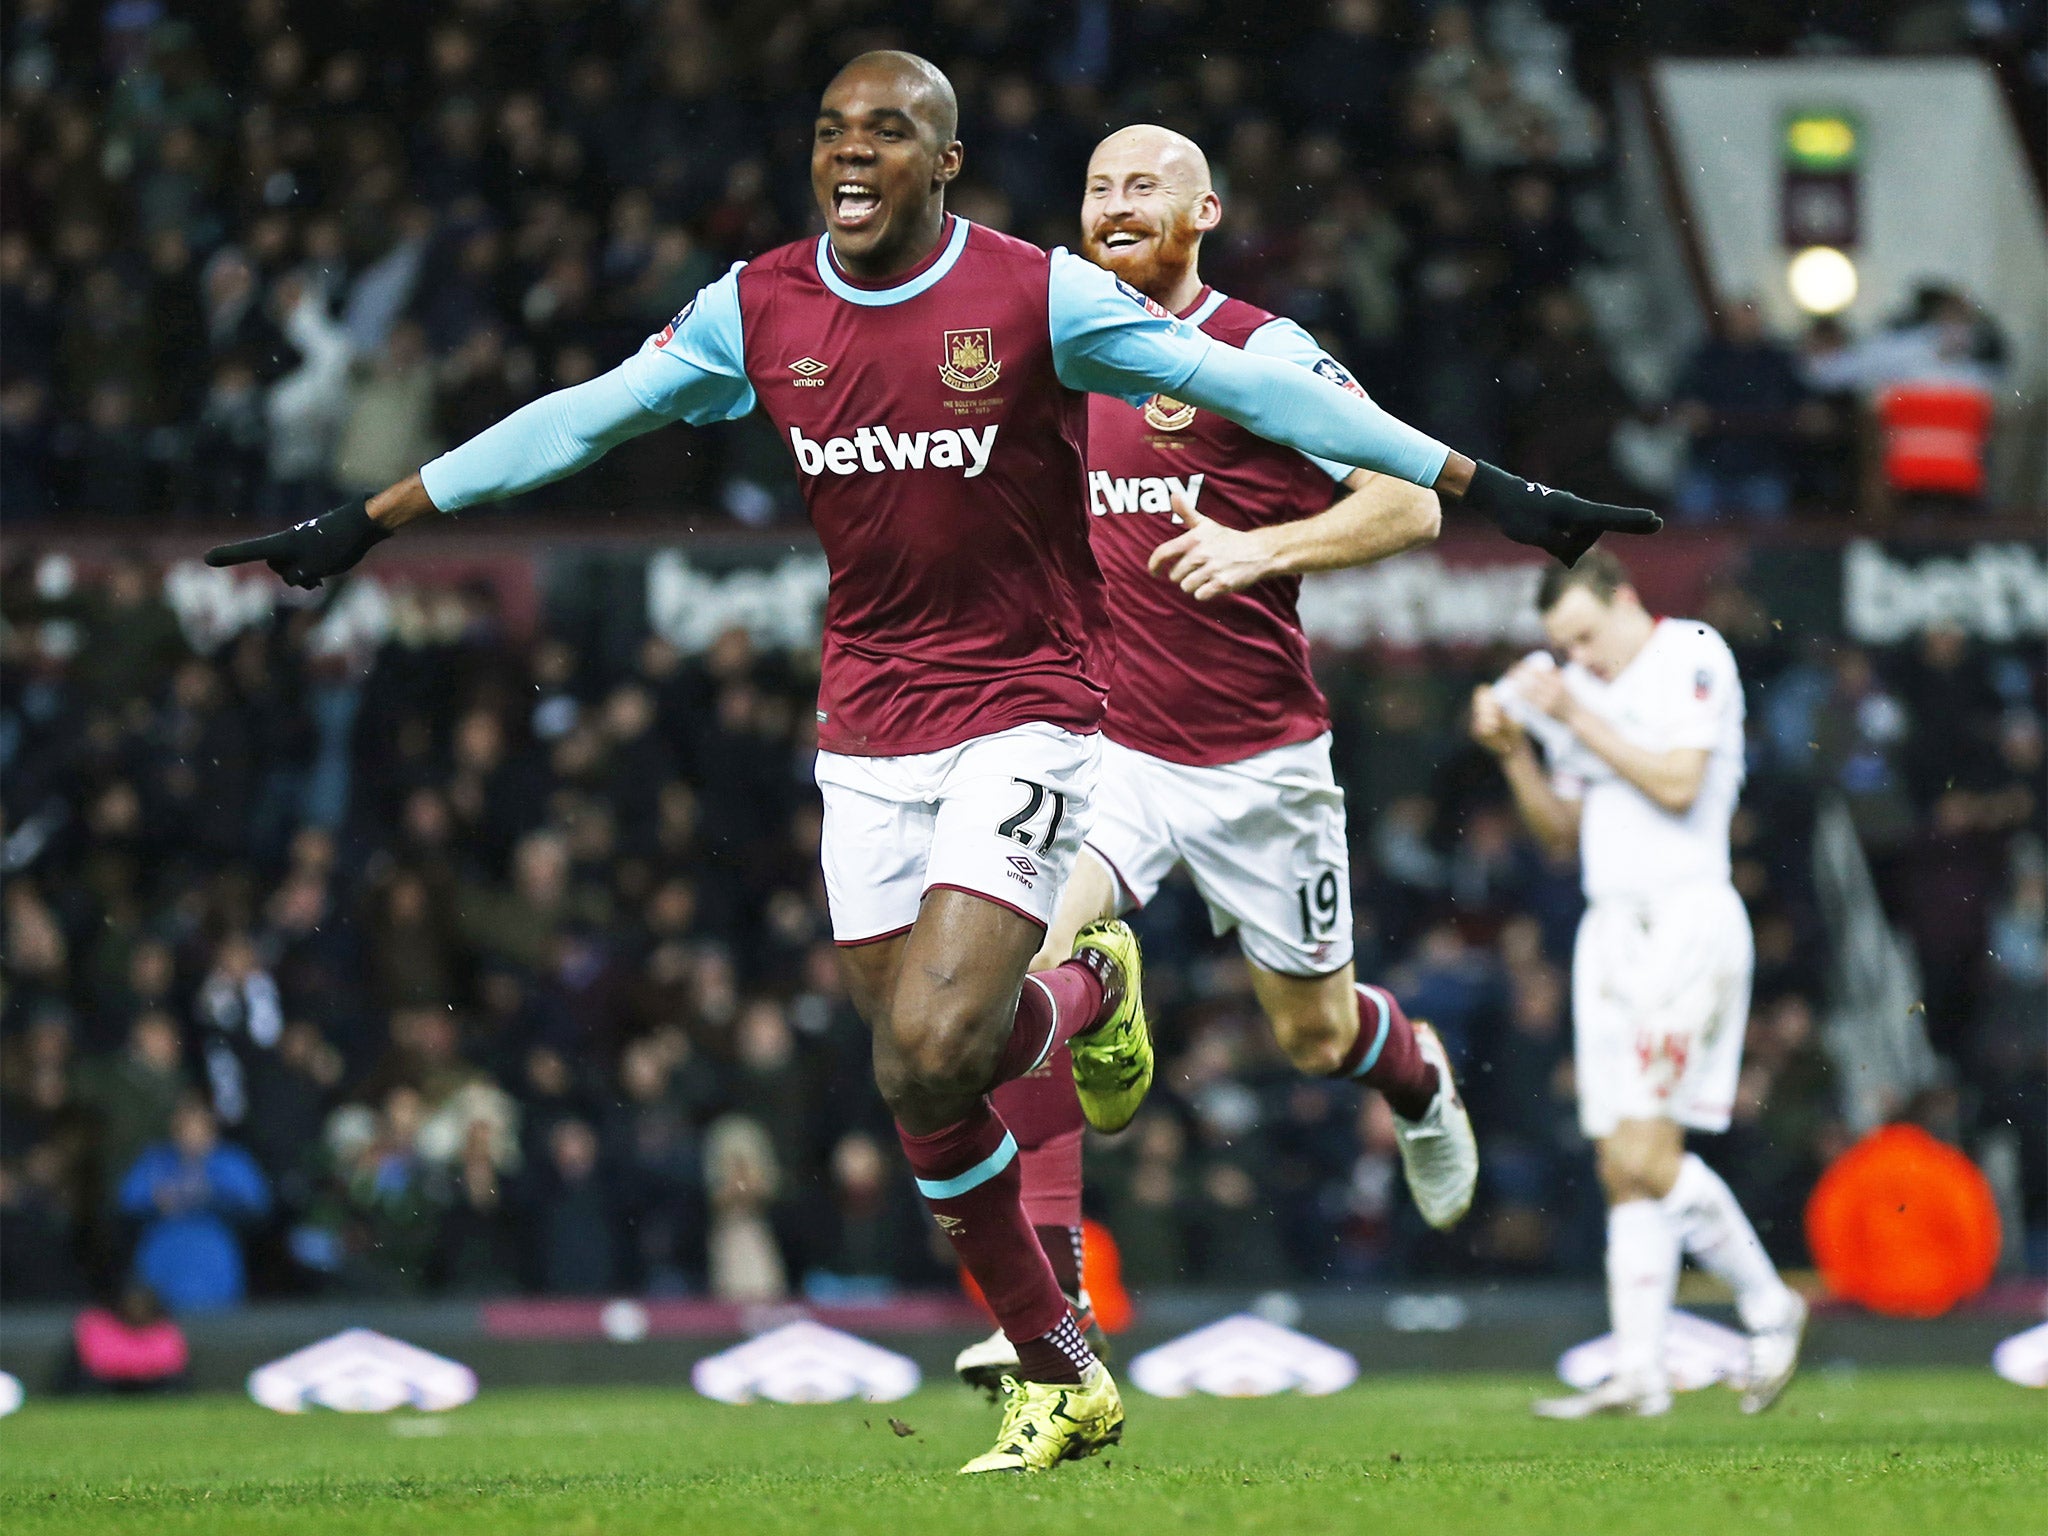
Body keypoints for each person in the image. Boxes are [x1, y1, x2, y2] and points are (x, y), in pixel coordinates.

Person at [206, 51, 1658, 1473]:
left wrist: (1494, 491)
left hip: (1135, 729)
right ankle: (1062, 1335)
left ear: (947, 161)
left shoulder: (1052, 304)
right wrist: (372, 516)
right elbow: (585, 414)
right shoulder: (759, 303)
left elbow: (1321, 431)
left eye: (888, 130)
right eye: (833, 127)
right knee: (920, 1073)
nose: (852, 151)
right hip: (896, 733)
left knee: (1282, 1036)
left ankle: (1367, 1062)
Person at [959, 124, 1478, 1395]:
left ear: (1203, 211)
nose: (1115, 202)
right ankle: (1051, 1299)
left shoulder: (1259, 351)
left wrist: (1261, 549)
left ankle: (1411, 1073)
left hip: (1258, 762)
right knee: (1006, 959)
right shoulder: (1057, 349)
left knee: (1311, 1034)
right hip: (1105, 750)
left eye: (1143, 184)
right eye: (1096, 187)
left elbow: (1409, 498)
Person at [1468, 549, 1805, 1418]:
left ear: (1623, 601)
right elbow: (1561, 833)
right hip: (1609, 926)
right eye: (1563, 645)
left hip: (1684, 920)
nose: (1579, 655)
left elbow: (1676, 782)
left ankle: (1770, 1304)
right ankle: (1642, 1368)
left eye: (1585, 634)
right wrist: (1515, 753)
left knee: (1645, 1154)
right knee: (1621, 1166)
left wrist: (1572, 711)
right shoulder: (1594, 691)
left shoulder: (1690, 652)